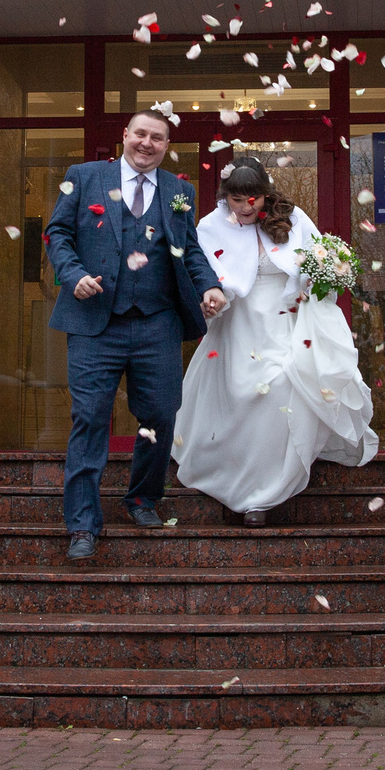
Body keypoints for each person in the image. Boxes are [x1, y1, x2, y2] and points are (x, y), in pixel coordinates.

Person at [44, 109, 229, 560]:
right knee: (90, 418)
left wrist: (210, 286)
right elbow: (58, 233)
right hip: (95, 324)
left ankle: (144, 499)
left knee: (161, 416)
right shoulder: (84, 176)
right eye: (140, 134)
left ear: (167, 146)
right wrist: (73, 276)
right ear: (125, 136)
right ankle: (83, 525)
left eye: (157, 138)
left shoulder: (179, 191)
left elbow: (190, 252)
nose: (147, 143)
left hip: (157, 322)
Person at [171, 157, 378, 523]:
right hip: (238, 322)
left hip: (288, 321)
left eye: (254, 199)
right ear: (226, 197)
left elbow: (318, 257)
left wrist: (321, 274)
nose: (247, 207)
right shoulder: (210, 225)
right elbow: (200, 269)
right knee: (239, 396)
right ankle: (237, 481)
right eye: (237, 200)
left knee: (283, 389)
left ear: (265, 195)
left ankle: (264, 495)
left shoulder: (293, 217)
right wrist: (211, 295)